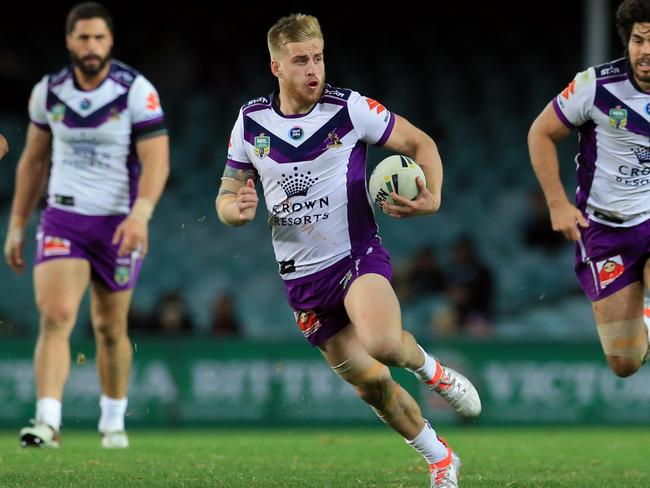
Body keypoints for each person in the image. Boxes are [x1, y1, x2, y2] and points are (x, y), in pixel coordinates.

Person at [216, 14, 480, 488]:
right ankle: (441, 458)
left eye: (318, 57)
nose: (313, 69)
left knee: (381, 342)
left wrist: (433, 195)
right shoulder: (250, 121)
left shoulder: (349, 109)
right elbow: (226, 195)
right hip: (302, 280)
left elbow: (421, 142)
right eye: (301, 61)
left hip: (356, 257)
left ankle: (433, 371)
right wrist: (235, 210)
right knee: (373, 387)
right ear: (276, 66)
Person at [3, 2, 169, 448]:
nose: (91, 45)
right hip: (63, 218)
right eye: (83, 37)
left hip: (119, 223)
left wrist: (141, 214)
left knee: (110, 327)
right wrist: (17, 223)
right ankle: (47, 422)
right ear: (69, 41)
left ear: (110, 41)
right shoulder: (49, 92)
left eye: (99, 37)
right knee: (55, 316)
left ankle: (112, 420)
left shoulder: (136, 90)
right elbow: (33, 160)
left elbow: (157, 158)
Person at [528, 0, 650, 379]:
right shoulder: (595, 86)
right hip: (604, 228)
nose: (645, 51)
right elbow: (541, 133)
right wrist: (557, 204)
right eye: (638, 40)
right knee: (624, 362)